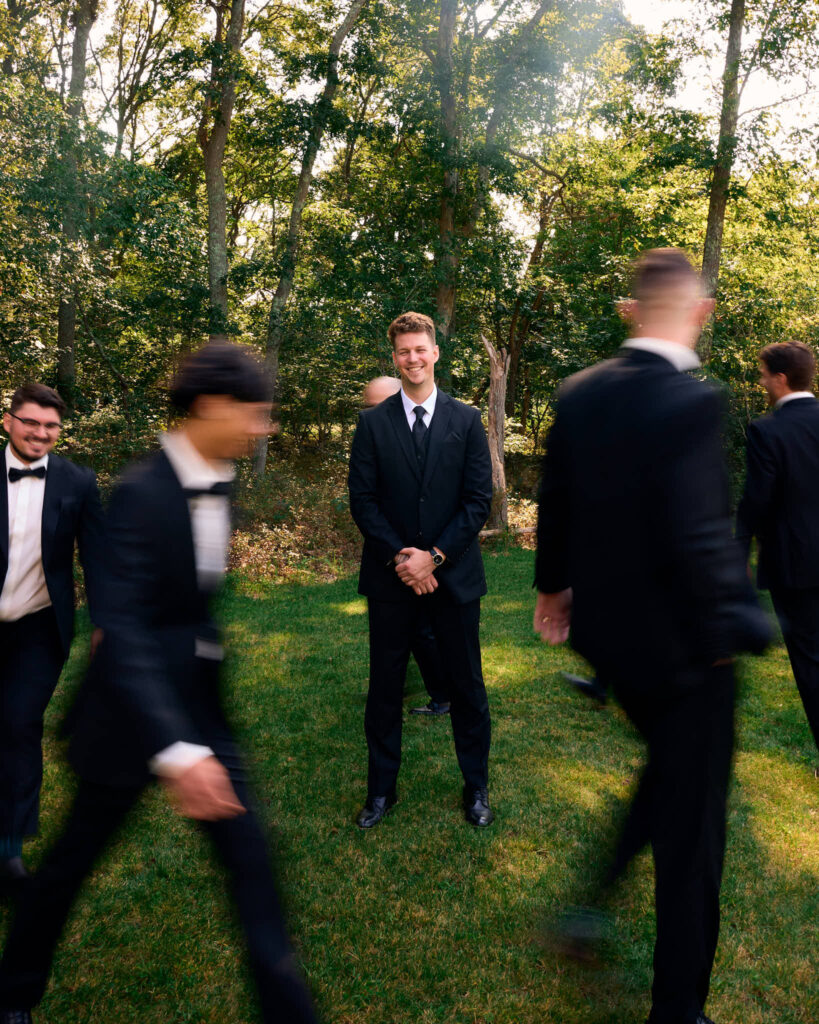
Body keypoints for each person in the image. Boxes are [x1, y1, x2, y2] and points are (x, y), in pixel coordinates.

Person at [0, 344, 319, 1024]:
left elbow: (190, 611)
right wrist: (177, 752)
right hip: (126, 720)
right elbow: (124, 625)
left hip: (204, 712)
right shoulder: (142, 491)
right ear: (209, 406)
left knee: (254, 870)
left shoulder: (222, 479)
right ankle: (12, 996)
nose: (261, 429)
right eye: (253, 414)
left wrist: (201, 730)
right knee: (65, 872)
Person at [534, 249, 770, 1024]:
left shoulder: (581, 393)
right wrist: (739, 623)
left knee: (669, 773)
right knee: (693, 832)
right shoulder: (693, 403)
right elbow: (700, 531)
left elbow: (556, 501)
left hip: (609, 642)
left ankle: (589, 905)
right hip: (685, 652)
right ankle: (678, 1009)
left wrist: (551, 592)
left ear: (632, 309)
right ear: (697, 312)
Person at [348, 312, 493, 829]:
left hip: (453, 577)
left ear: (436, 353)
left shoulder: (467, 420)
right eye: (403, 351)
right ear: (395, 357)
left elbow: (478, 501)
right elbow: (363, 502)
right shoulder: (371, 424)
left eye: (420, 349)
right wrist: (402, 558)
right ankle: (381, 792)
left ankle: (476, 787)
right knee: (385, 687)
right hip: (390, 579)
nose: (413, 358)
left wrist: (434, 557)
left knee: (468, 686)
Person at [0, 383, 104, 887]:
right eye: (31, 422)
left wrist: (105, 625)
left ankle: (10, 852)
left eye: (51, 426)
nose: (40, 433)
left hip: (39, 629)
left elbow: (98, 559)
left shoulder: (78, 482)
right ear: (8, 421)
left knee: (19, 727)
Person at [736, 340, 819, 764]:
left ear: (781, 379)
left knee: (810, 662)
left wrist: (738, 554)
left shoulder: (767, 430)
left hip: (797, 566)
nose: (761, 380)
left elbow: (757, 500)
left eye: (764, 373)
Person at [362, 376, 450, 716]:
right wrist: (399, 556)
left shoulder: (431, 433)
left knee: (424, 632)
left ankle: (443, 694)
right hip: (386, 557)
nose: (373, 415)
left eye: (381, 406)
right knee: (397, 635)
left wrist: (427, 560)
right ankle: (393, 696)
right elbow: (365, 501)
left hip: (430, 559)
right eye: (368, 407)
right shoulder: (369, 436)